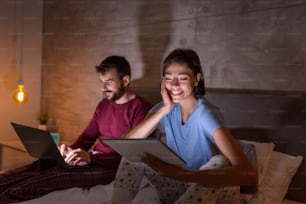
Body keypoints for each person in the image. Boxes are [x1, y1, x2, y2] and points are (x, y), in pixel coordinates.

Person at [111, 49, 258, 203]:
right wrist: (164, 110)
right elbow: (128, 142)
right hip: (181, 188)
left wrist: (181, 174)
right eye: (168, 78)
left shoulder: (205, 114)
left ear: (196, 79)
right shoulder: (164, 108)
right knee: (136, 154)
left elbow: (248, 174)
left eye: (182, 78)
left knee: (220, 161)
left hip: (215, 194)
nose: (174, 85)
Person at [0, 55, 152, 203]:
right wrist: (68, 150)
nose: (103, 88)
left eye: (109, 82)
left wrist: (91, 158)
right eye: (101, 82)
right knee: (39, 165)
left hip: (112, 168)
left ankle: (6, 199)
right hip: (91, 159)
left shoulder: (142, 110)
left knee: (52, 177)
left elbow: (131, 157)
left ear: (125, 80)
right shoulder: (104, 105)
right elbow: (87, 138)